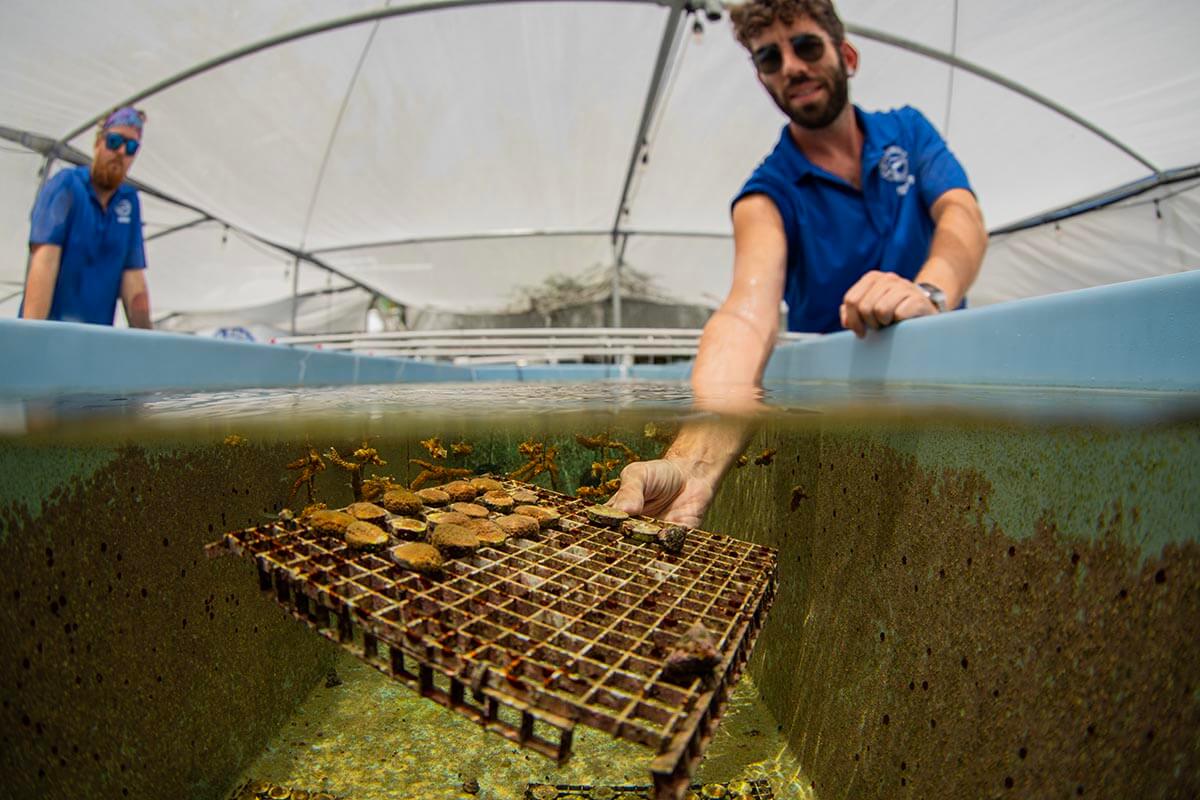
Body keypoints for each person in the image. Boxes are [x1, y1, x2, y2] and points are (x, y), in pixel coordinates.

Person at [609, 0, 987, 527]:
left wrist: (931, 292)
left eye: (805, 45)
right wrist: (689, 461)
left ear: (846, 55)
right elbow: (746, 313)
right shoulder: (766, 195)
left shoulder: (910, 132)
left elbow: (962, 216)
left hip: (947, 390)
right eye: (769, 58)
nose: (790, 66)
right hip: (839, 420)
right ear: (763, 80)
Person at [19, 106, 152, 328]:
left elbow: (134, 283)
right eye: (114, 141)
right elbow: (44, 263)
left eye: (131, 147)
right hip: (53, 335)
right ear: (98, 142)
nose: (121, 152)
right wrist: (33, 339)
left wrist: (152, 348)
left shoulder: (129, 202)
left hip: (94, 343)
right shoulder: (66, 186)